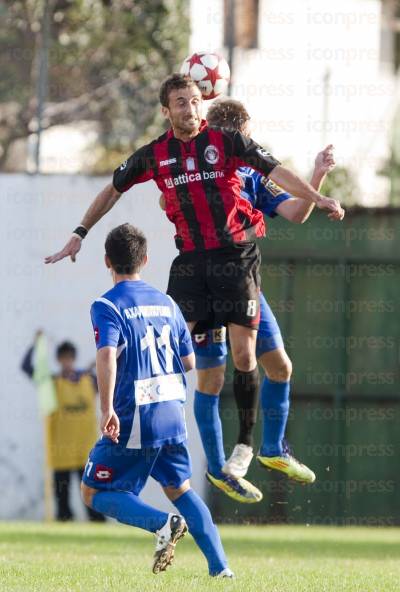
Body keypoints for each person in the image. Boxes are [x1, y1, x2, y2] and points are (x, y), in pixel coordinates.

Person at [45, 73, 344, 499]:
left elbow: (281, 175)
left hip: (235, 262)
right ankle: (131, 424)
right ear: (166, 111)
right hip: (192, 267)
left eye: (194, 101)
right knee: (175, 357)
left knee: (251, 358)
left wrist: (319, 194)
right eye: (181, 103)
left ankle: (249, 445)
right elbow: (113, 189)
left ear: (204, 104)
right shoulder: (156, 155)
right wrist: (79, 231)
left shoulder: (230, 147)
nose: (190, 108)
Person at [185, 99, 337, 500]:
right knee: (213, 377)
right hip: (204, 282)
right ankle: (222, 467)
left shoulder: (251, 172)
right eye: (249, 134)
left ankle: (273, 449)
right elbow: (170, 199)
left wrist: (317, 176)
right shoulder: (197, 168)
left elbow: (295, 213)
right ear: (240, 133)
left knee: (280, 367)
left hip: (245, 284)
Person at [80, 222, 233, 577]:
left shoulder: (106, 305)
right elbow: (189, 361)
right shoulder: (167, 303)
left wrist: (107, 410)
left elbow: (106, 354)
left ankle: (163, 524)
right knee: (180, 487)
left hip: (136, 414)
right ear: (145, 260)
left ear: (107, 260)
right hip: (172, 410)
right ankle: (221, 568)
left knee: (94, 490)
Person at [21, 335, 105, 522]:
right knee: (62, 502)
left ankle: (98, 523)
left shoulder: (89, 380)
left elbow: (111, 373)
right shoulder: (51, 382)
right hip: (61, 451)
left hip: (86, 450)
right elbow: (27, 367)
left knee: (91, 495)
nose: (67, 362)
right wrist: (36, 345)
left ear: (74, 359)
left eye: (70, 358)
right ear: (58, 360)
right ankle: (64, 523)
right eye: (63, 358)